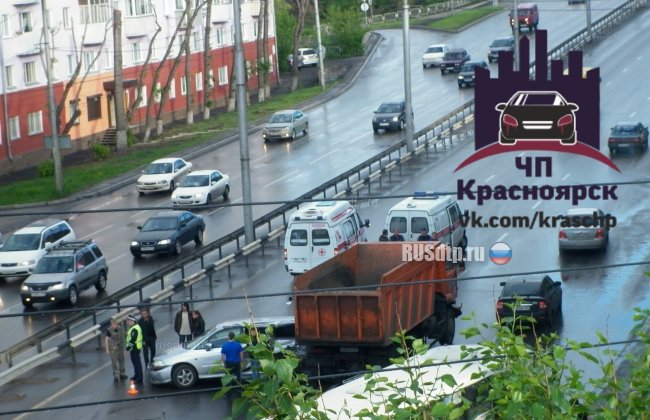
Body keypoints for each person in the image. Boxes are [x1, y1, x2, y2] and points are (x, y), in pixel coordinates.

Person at [125, 316, 143, 384]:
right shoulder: (134, 327)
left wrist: (128, 348)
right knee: (135, 363)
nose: (128, 322)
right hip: (134, 348)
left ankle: (139, 378)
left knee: (137, 364)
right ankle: (136, 375)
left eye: (129, 321)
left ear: (133, 321)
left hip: (135, 348)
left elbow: (133, 340)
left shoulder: (135, 329)